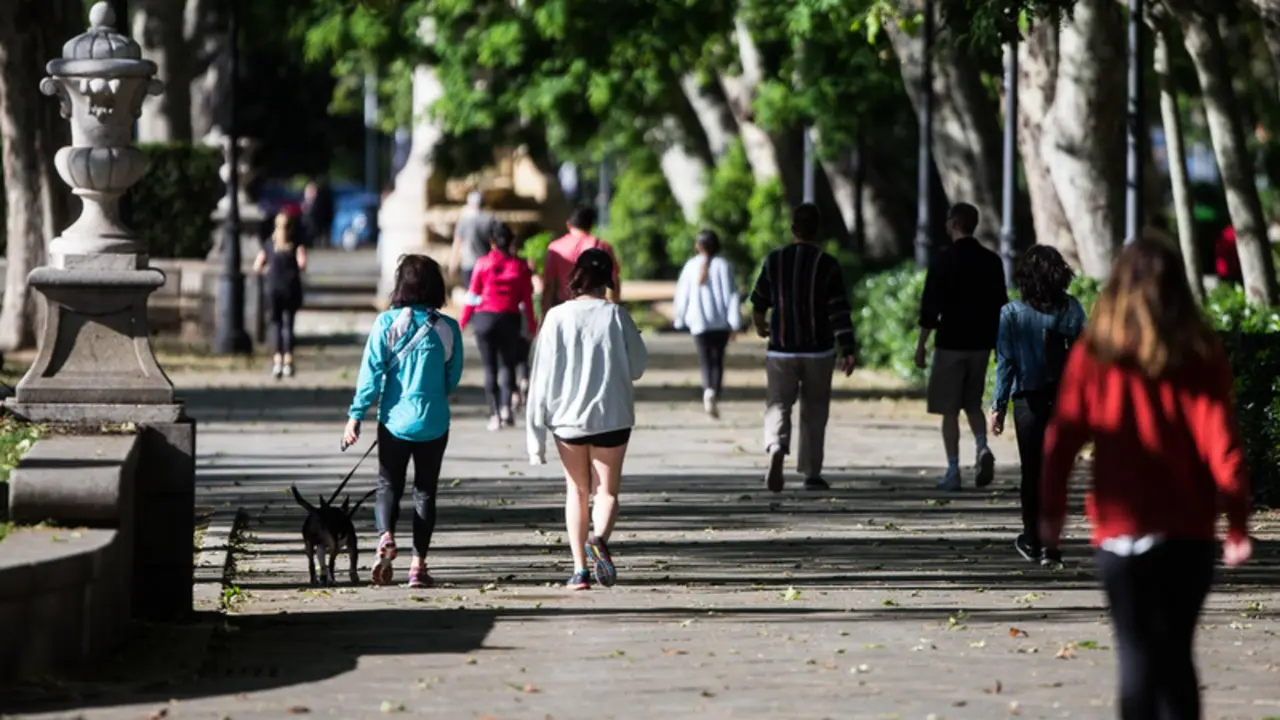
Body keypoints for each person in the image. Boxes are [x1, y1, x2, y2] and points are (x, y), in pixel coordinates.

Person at [1040, 236, 1252, 720]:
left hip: (1121, 533)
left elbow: (1062, 440)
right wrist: (1237, 523)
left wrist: (1051, 513)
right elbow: (1223, 443)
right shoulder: (1199, 353)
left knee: (1136, 656)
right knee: (1176, 656)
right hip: (1188, 532)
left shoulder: (1095, 354)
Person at [526, 249, 647, 591]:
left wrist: (535, 439)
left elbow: (540, 375)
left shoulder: (556, 317)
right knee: (606, 492)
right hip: (613, 417)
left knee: (577, 491)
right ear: (608, 281)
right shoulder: (618, 316)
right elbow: (638, 367)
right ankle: (599, 539)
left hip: (567, 420)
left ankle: (580, 571)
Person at [345, 255, 463, 589]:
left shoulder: (386, 323)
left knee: (388, 484)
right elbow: (452, 376)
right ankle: (417, 567)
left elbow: (370, 375)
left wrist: (356, 415)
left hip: (394, 421)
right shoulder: (449, 328)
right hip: (434, 422)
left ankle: (385, 536)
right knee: (425, 492)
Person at [988, 245, 1086, 566]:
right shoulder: (1072, 309)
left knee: (1032, 472)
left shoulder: (1011, 313)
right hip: (1065, 401)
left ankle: (1031, 539)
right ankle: (1052, 546)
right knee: (1056, 472)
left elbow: (1006, 364)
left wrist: (998, 406)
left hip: (1028, 402)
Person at [750, 203, 858, 493]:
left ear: (792, 229)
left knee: (778, 403)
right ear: (817, 230)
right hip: (818, 350)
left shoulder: (775, 260)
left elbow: (758, 301)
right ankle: (811, 472)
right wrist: (848, 347)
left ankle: (776, 446)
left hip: (781, 348)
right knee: (815, 410)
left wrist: (760, 326)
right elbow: (838, 311)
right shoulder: (828, 264)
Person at [914, 202, 1008, 491]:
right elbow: (1000, 305)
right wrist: (999, 345)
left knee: (949, 410)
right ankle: (981, 446)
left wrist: (921, 345)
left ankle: (953, 470)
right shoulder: (992, 261)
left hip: (951, 343)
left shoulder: (943, 261)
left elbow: (930, 307)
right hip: (980, 344)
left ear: (954, 224)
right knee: (973, 403)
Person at [460, 223, 537, 431]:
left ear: (492, 242)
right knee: (507, 365)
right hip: (510, 319)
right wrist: (531, 325)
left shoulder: (482, 264)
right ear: (511, 242)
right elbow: (527, 300)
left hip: (484, 319)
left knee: (489, 367)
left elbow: (472, 296)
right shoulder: (520, 267)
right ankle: (506, 409)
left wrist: (462, 322)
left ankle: (494, 414)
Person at [673, 229, 741, 418]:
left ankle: (708, 389)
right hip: (720, 323)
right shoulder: (724, 266)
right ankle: (714, 392)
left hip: (699, 322)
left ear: (698, 246)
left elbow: (682, 294)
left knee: (705, 360)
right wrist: (735, 322)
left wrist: (679, 318)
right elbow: (732, 295)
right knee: (717, 360)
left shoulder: (691, 266)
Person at [253, 209, 308, 380]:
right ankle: (288, 362)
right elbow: (302, 264)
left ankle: (277, 362)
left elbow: (257, 266)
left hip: (273, 289)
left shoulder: (269, 244)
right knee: (289, 325)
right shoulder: (296, 243)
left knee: (275, 324)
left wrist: (269, 271)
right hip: (291, 288)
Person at [541, 206, 621, 318]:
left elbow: (548, 286)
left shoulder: (555, 248)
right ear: (591, 225)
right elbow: (613, 281)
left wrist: (543, 316)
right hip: (595, 309)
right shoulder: (602, 247)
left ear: (569, 224)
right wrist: (613, 308)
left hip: (565, 309)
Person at [449, 191, 497, 291]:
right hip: (485, 264)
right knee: (485, 292)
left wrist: (453, 263)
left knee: (470, 293)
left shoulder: (463, 221)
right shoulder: (489, 220)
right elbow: (494, 244)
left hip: (468, 263)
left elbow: (457, 243)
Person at [300, 180, 334, 248]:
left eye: (313, 191)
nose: (310, 193)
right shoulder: (302, 203)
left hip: (316, 230)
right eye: (308, 191)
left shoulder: (320, 204)